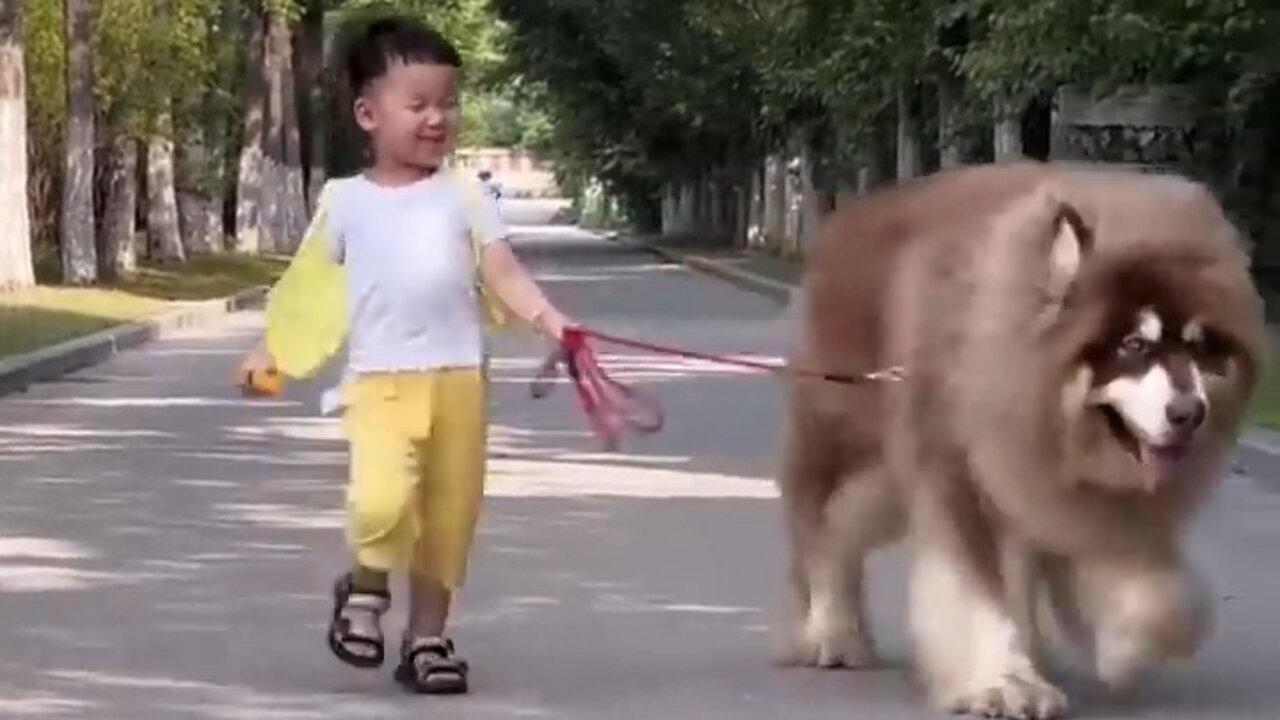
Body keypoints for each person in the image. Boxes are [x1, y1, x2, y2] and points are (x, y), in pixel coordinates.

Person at [236, 14, 571, 695]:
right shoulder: (345, 202)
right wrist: (273, 351)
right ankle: (363, 589)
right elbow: (307, 287)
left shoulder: (466, 195)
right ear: (368, 112)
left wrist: (547, 317)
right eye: (417, 104)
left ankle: (428, 641)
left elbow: (502, 270)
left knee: (448, 519)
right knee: (380, 503)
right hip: (381, 384)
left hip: (458, 384)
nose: (436, 118)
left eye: (448, 103)